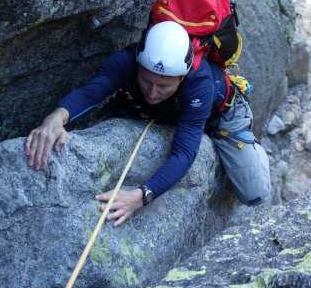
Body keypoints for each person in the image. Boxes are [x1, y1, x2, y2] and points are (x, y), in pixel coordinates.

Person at [25, 20, 271, 227]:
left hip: (222, 116)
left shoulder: (200, 84)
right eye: (146, 81)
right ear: (139, 65)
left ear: (182, 76)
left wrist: (142, 195)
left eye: (164, 85)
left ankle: (250, 144)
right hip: (166, 111)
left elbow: (185, 151)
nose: (153, 92)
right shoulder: (126, 61)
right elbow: (91, 92)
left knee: (254, 195)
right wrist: (55, 118)